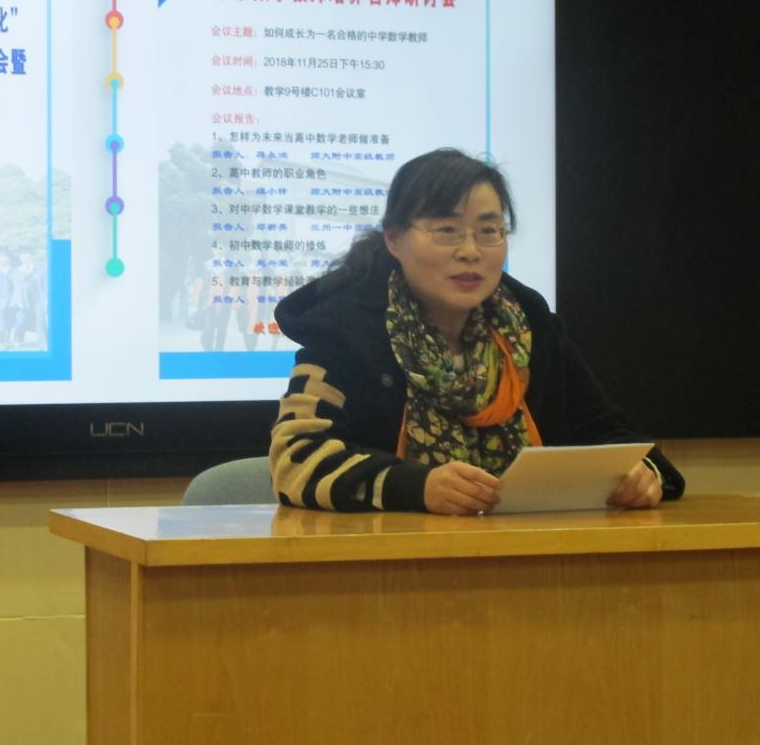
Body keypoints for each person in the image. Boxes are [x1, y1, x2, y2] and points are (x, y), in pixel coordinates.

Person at [269, 148, 684, 515]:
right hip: (393, 564)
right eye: (446, 230)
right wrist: (418, 487)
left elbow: (611, 433)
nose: (470, 251)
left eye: (489, 231)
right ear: (394, 239)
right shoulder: (345, 332)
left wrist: (641, 472)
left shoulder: (529, 328)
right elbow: (297, 460)